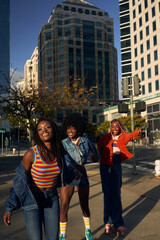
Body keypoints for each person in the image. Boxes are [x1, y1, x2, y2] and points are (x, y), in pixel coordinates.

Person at [3, 118, 76, 240]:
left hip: (52, 199)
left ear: (53, 129)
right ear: (37, 133)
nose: (44, 130)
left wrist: (75, 171)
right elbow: (19, 181)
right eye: (40, 129)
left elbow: (70, 166)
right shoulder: (31, 153)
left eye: (47, 127)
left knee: (53, 238)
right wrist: (9, 207)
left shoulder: (59, 151)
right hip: (32, 199)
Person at [97, 119, 141, 237]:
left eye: (116, 126)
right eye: (112, 127)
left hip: (116, 164)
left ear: (119, 127)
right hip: (105, 165)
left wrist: (137, 131)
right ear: (110, 128)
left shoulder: (123, 136)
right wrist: (100, 157)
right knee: (107, 194)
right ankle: (107, 223)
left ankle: (119, 224)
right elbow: (99, 148)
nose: (114, 128)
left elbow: (131, 136)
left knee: (116, 194)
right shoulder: (105, 137)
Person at [59, 112, 100, 240]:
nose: (70, 131)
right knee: (64, 206)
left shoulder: (85, 141)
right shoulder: (63, 143)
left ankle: (88, 231)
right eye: (68, 128)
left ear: (79, 128)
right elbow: (64, 159)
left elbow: (96, 154)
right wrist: (73, 169)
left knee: (84, 205)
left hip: (82, 174)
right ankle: (62, 235)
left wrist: (95, 157)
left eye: (73, 128)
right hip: (69, 175)